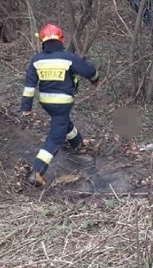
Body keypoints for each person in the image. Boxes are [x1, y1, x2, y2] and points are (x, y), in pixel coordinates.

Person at [21, 23, 99, 187]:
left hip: (46, 103)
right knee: (55, 139)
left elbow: (29, 86)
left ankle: (77, 143)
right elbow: (90, 72)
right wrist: (95, 79)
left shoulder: (36, 60)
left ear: (42, 40)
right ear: (61, 39)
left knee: (62, 121)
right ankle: (37, 172)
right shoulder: (68, 58)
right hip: (62, 103)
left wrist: (26, 107)